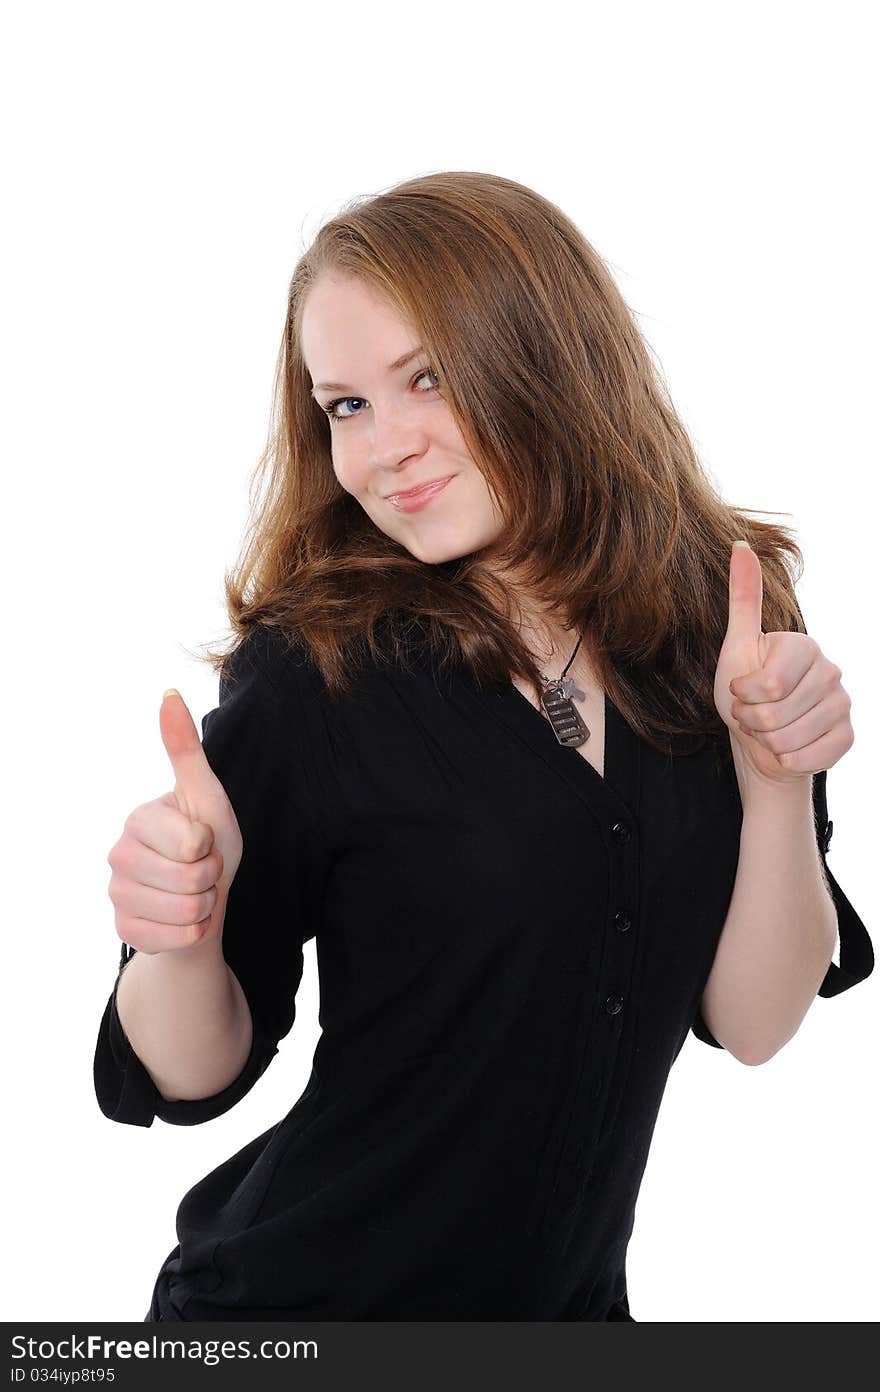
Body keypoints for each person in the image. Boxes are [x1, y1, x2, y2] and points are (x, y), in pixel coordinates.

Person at [94, 170, 873, 1322]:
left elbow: (753, 1024)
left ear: (546, 355)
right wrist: (174, 938)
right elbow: (190, 1069)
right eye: (344, 405)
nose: (383, 447)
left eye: (428, 378)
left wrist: (773, 786)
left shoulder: (722, 630)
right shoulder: (319, 672)